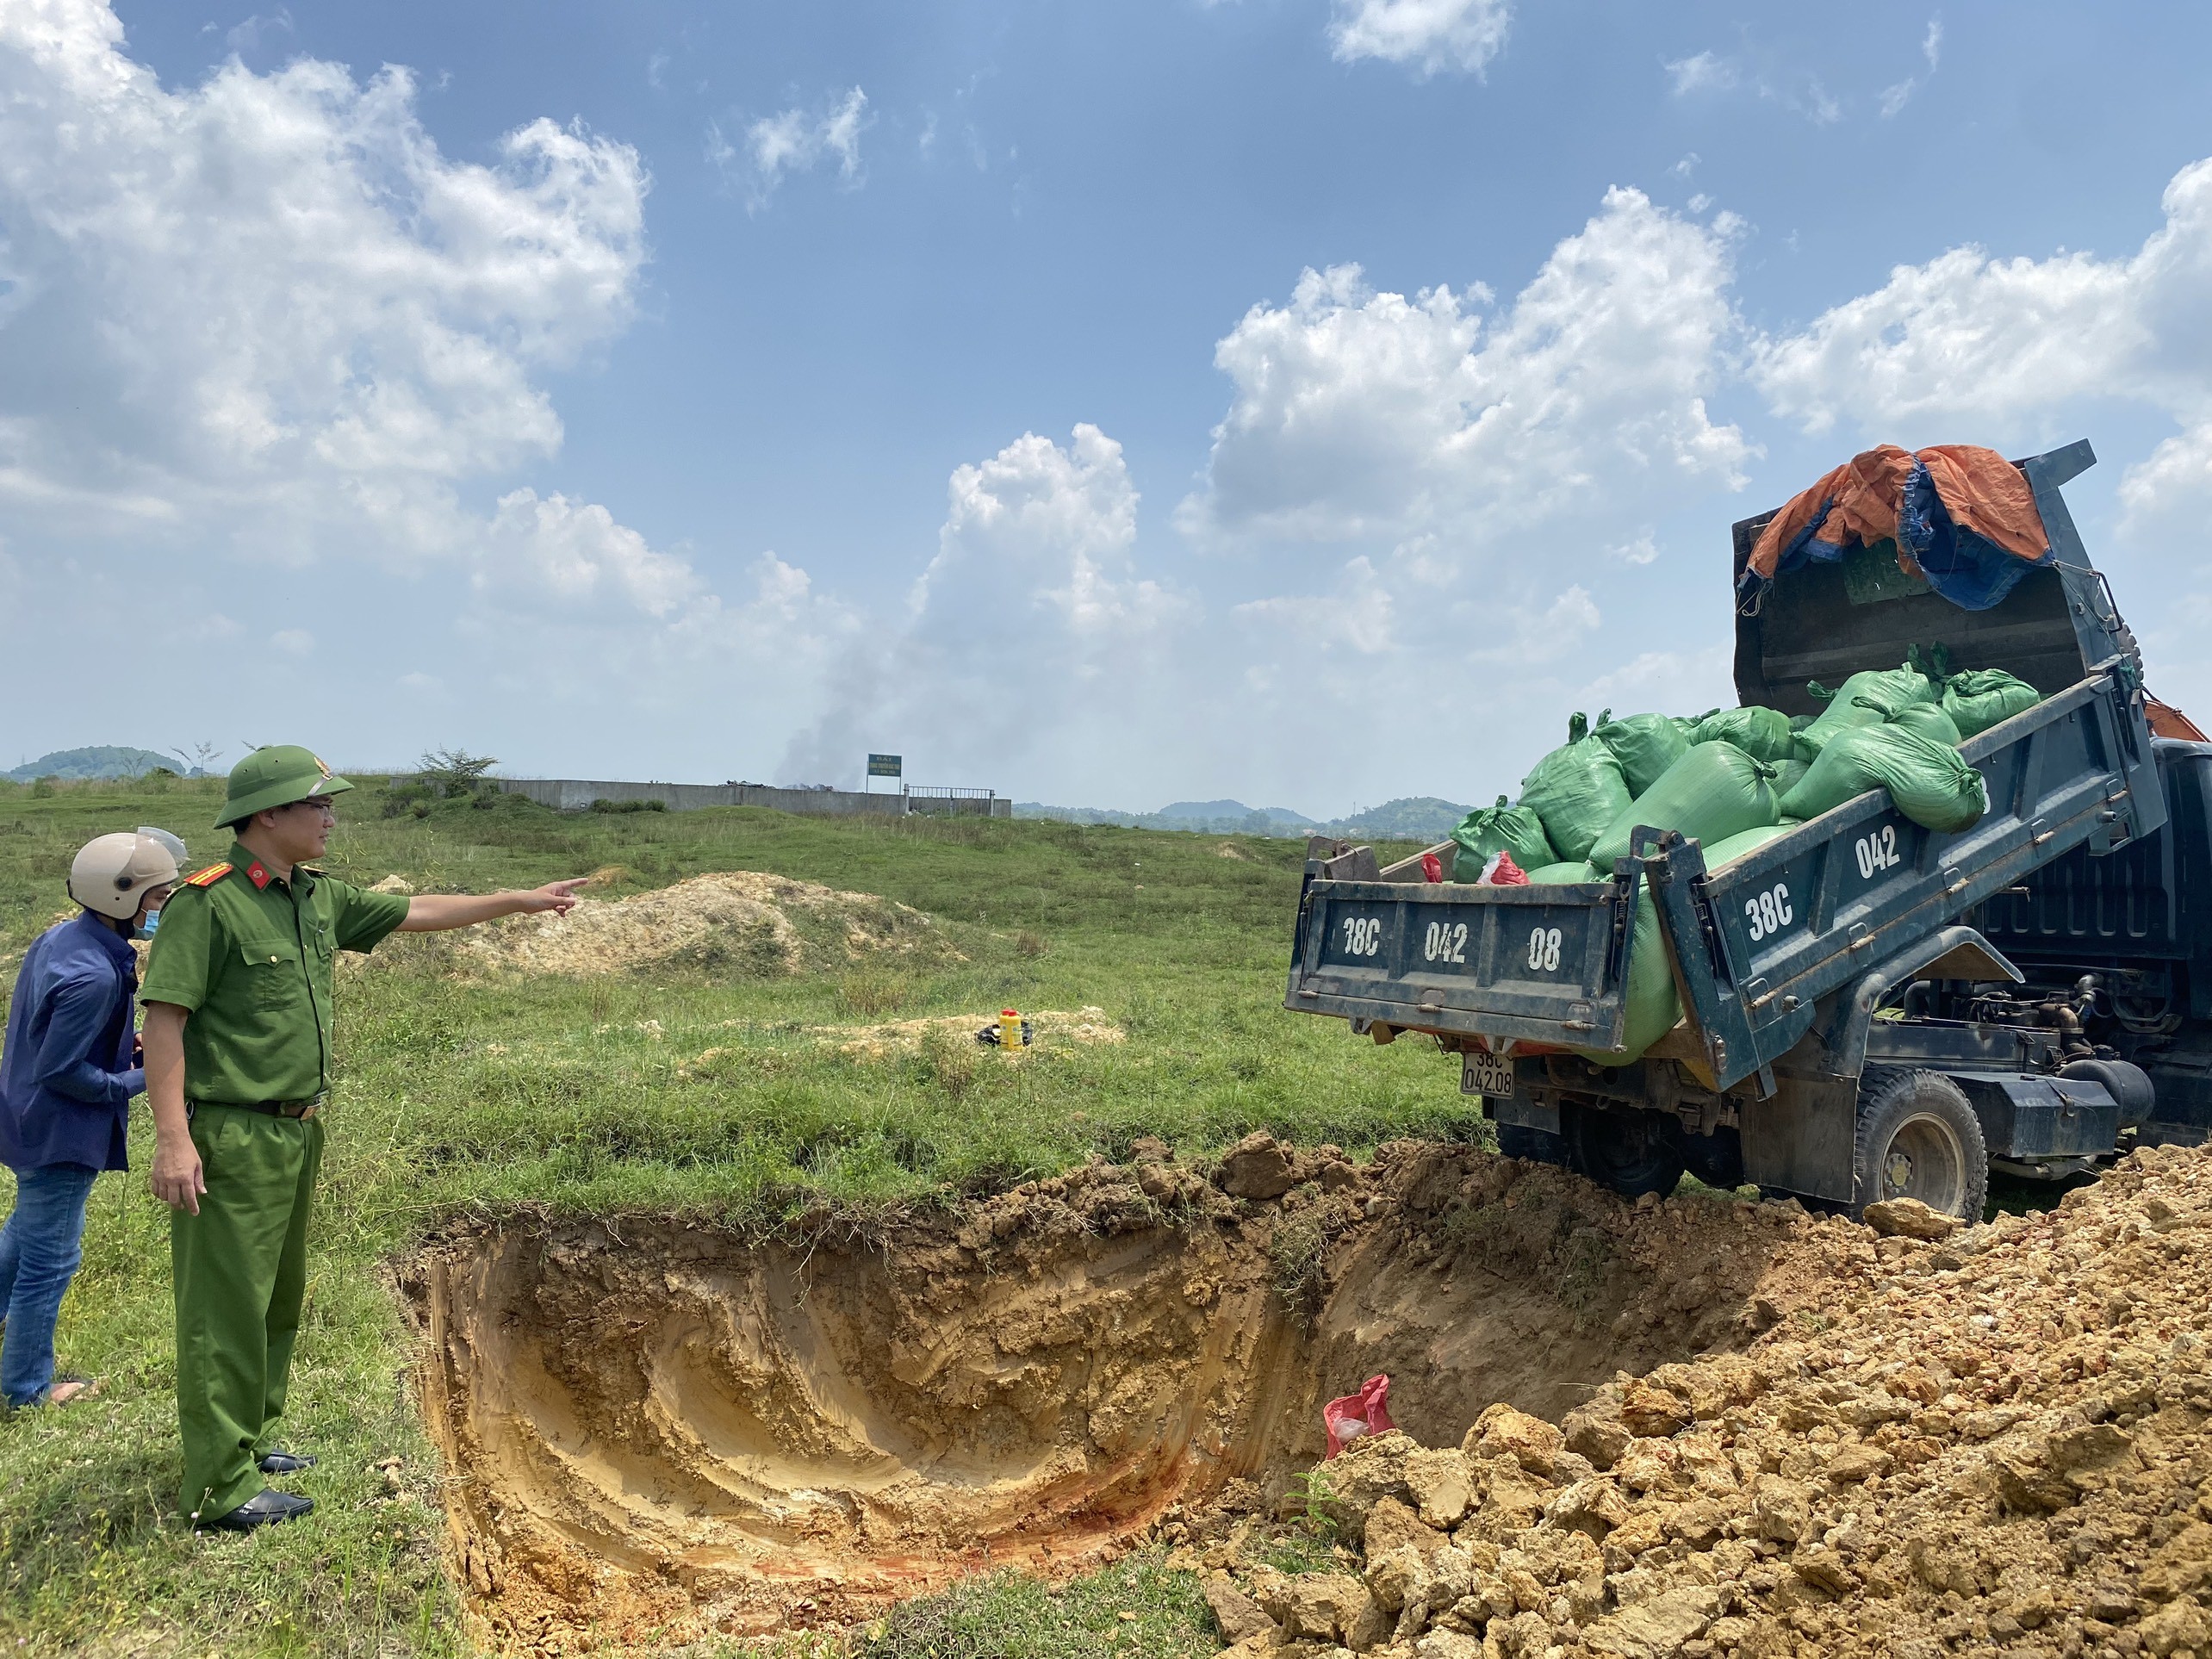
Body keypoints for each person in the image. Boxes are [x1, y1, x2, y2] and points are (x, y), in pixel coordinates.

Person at [140, 747, 581, 1532]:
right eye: (318, 806)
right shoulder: (206, 905)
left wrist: (518, 900)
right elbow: (165, 1019)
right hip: (233, 1133)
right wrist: (174, 1140)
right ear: (269, 815)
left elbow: (417, 910)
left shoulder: (315, 898)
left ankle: (251, 1438)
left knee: (275, 1295)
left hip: (296, 1130)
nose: (330, 819)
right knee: (225, 1304)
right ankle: (217, 1487)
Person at [0, 828, 185, 1408]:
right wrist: (141, 1077)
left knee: (21, 1238)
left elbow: (43, 1029)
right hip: (60, 1129)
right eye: (157, 898)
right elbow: (63, 1070)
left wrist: (118, 1045)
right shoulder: (97, 976)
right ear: (120, 897)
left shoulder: (62, 940)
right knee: (50, 1262)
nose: (163, 909)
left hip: (23, 1113)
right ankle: (27, 1388)